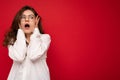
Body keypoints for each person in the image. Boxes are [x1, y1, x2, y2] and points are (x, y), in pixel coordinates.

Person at [3, 5, 51, 80]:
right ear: (19, 22)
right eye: (23, 17)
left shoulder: (44, 38)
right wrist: (20, 32)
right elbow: (19, 57)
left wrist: (36, 31)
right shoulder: (12, 41)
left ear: (36, 21)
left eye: (31, 17)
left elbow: (33, 55)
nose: (27, 20)